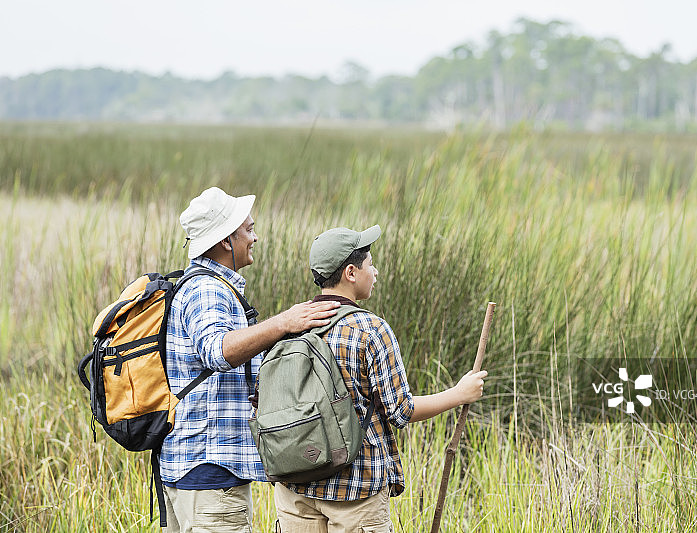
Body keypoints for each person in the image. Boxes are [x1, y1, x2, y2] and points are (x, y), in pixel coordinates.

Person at [273, 224, 488, 532]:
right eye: (370, 265)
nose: (375, 272)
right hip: (355, 489)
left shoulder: (289, 325)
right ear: (350, 272)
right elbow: (401, 411)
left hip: (294, 485)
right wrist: (459, 393)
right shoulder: (370, 329)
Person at [160, 186, 340, 532]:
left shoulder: (206, 286)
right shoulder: (207, 289)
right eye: (248, 230)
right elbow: (216, 350)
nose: (254, 238)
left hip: (198, 473)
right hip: (210, 475)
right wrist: (284, 322)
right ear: (227, 240)